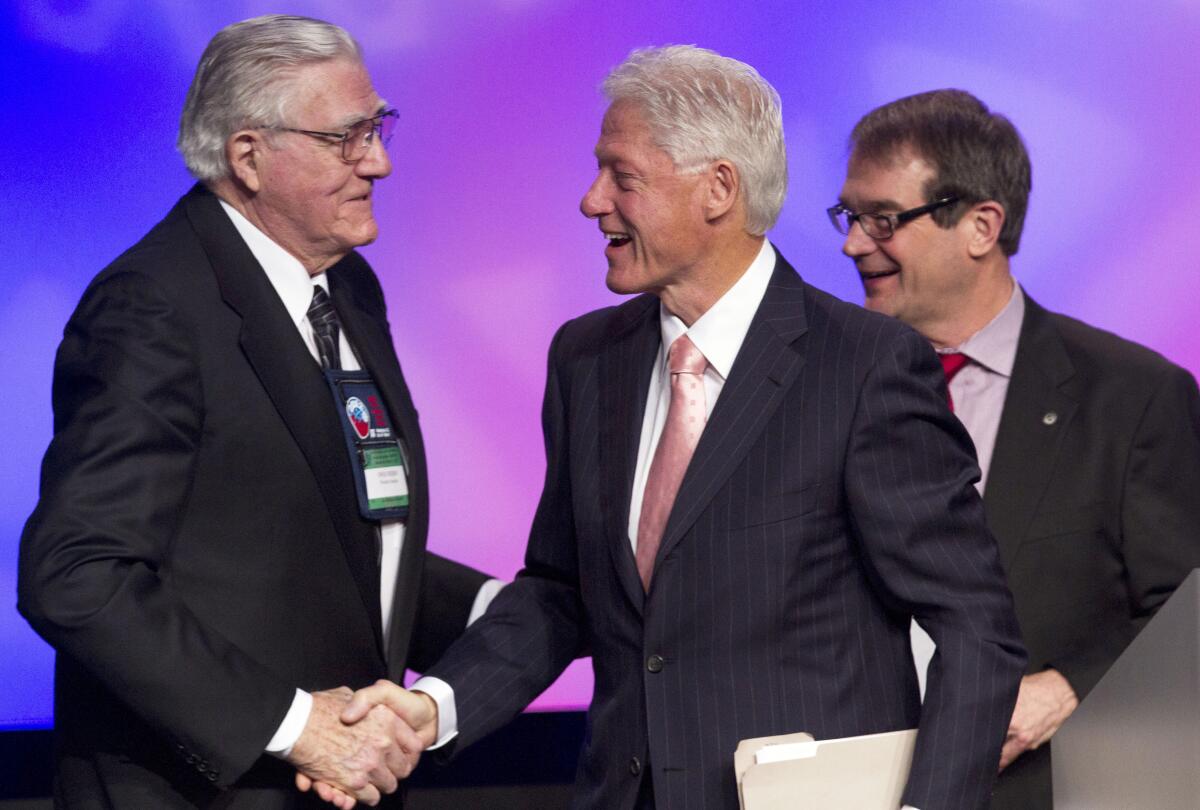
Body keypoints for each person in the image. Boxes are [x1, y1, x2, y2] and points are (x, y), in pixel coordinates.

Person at [328, 47, 1026, 810]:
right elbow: (560, 592)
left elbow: (973, 629)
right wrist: (433, 708)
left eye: (621, 176)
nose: (592, 202)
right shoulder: (589, 358)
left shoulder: (862, 366)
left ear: (718, 188)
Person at [17, 14, 498, 809]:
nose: (378, 161)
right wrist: (294, 724)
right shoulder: (154, 307)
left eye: (377, 127)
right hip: (198, 790)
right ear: (248, 155)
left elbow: (323, 540)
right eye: (346, 138)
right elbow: (75, 574)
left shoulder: (347, 286)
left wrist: (498, 612)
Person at [832, 88, 1200, 808]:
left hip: (1048, 788)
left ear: (980, 226)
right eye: (849, 217)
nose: (852, 243)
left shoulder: (1132, 397)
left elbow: (1188, 609)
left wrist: (1066, 690)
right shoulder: (826, 391)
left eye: (882, 219)